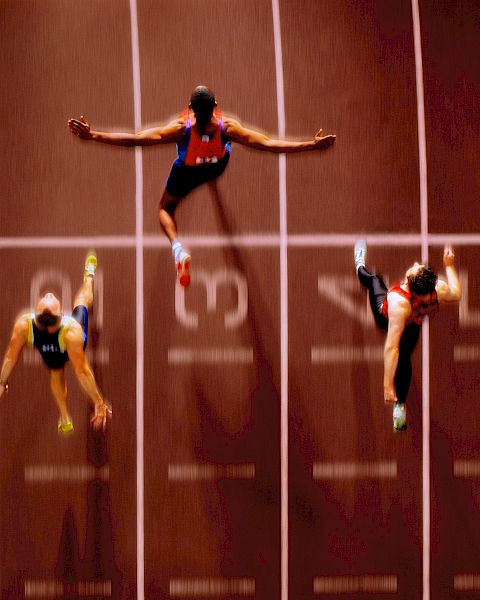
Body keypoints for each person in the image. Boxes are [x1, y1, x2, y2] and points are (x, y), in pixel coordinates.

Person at [68, 85, 336, 287]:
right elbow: (269, 144)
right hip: (216, 164)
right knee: (218, 164)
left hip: (187, 171)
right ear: (216, 106)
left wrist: (93, 136)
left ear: (190, 108)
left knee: (164, 208)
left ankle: (178, 249)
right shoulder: (227, 128)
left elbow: (135, 139)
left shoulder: (180, 129)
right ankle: (211, 180)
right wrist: (310, 145)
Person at [354, 240, 461, 431]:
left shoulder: (415, 295)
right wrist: (449, 266)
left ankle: (399, 406)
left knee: (404, 361)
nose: (414, 265)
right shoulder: (425, 295)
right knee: (405, 360)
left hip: (401, 322)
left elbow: (392, 347)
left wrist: (387, 385)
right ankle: (360, 265)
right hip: (400, 322)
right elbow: (456, 292)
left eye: (415, 269)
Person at [0, 252, 111, 434]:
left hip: (53, 349)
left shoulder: (23, 326)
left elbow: (11, 356)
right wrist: (99, 402)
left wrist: (2, 383)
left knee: (56, 373)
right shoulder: (72, 330)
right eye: (49, 298)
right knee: (81, 300)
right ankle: (88, 276)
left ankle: (65, 418)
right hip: (67, 345)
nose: (49, 293)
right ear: (61, 315)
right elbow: (82, 371)